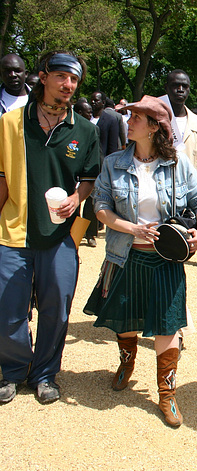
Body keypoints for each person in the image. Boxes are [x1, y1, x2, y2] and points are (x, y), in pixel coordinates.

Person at [83, 95, 197, 427]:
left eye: (135, 117)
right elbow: (100, 206)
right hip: (124, 257)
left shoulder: (177, 163)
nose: (128, 121)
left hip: (166, 261)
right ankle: (126, 362)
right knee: (125, 320)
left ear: (154, 127)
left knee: (168, 326)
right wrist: (132, 227)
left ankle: (166, 394)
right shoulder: (113, 163)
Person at [0, 51, 100, 404]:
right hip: (13, 231)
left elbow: (88, 177)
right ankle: (12, 371)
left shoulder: (86, 130)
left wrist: (78, 196)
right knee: (8, 307)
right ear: (43, 78)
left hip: (60, 236)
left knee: (57, 307)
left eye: (73, 80)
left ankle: (44, 374)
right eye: (61, 77)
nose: (68, 85)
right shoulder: (11, 123)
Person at [161, 70, 197, 265]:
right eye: (175, 85)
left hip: (188, 194)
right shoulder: (156, 119)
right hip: (161, 192)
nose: (180, 90)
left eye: (185, 86)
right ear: (166, 88)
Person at [83, 91, 121, 248]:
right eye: (92, 100)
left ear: (103, 102)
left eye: (97, 100)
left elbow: (113, 146)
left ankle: (92, 233)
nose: (93, 102)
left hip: (100, 165)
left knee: (94, 199)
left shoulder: (110, 119)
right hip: (84, 164)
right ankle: (84, 231)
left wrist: (110, 168)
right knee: (84, 199)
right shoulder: (84, 117)